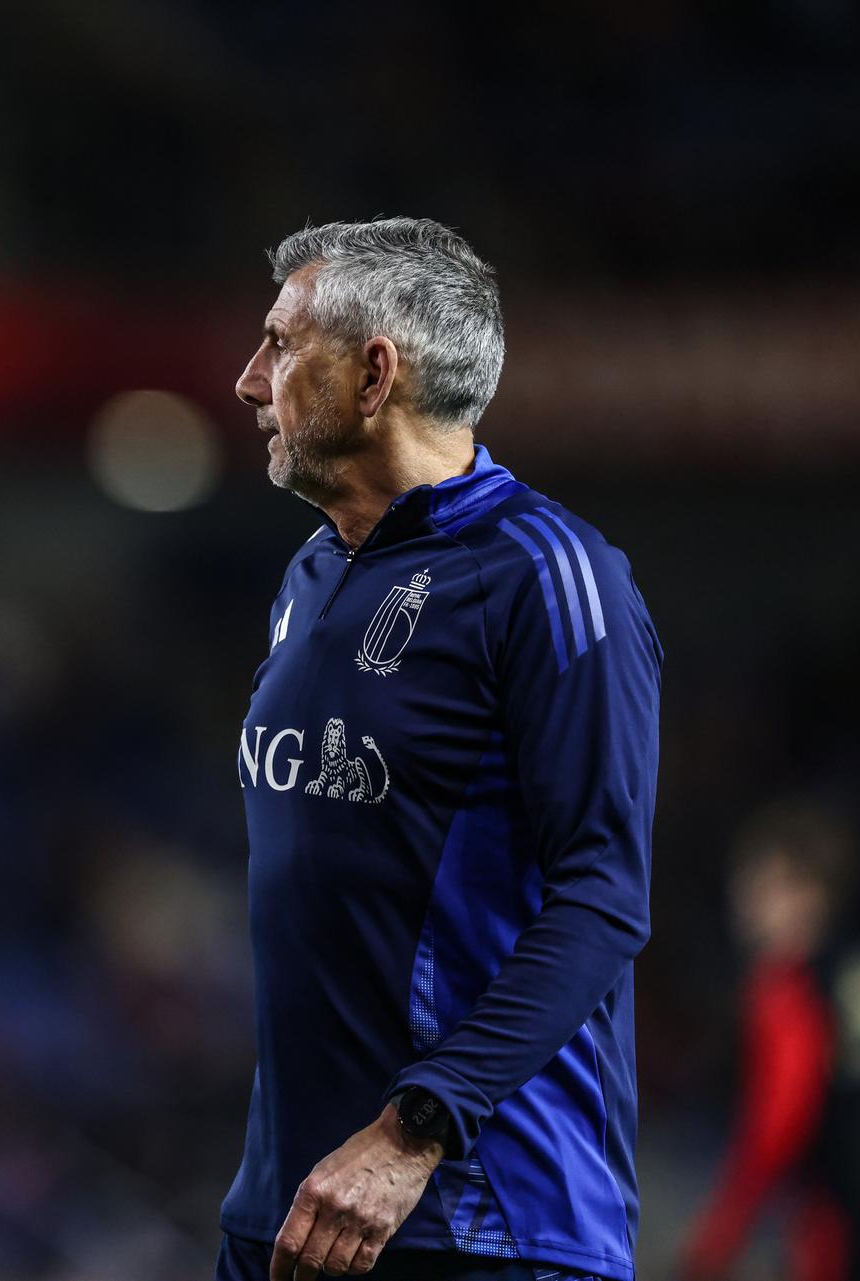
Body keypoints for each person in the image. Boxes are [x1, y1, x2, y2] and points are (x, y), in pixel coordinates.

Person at [220, 218, 660, 1281]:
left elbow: (603, 895)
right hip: (291, 1208)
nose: (247, 381)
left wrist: (412, 1133)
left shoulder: (550, 577)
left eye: (281, 345)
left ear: (375, 375)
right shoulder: (311, 578)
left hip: (484, 1215)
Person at [678, 801, 855, 1281]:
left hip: (829, 1232)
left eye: (764, 888)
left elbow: (776, 1129)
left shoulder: (785, 993)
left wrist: (714, 1246)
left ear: (810, 897)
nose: (746, 904)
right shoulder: (834, 979)